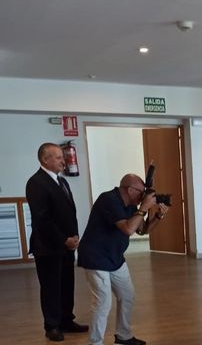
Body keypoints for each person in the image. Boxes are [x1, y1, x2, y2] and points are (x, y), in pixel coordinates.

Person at [78, 174, 170, 345]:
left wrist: (158, 216)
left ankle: (123, 336)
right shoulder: (108, 200)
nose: (143, 196)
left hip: (114, 257)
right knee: (103, 302)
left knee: (127, 295)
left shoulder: (131, 205)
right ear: (130, 189)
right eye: (141, 192)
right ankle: (95, 343)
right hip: (96, 257)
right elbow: (128, 229)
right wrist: (144, 207)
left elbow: (143, 230)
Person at [25, 143, 88, 341]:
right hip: (48, 247)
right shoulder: (36, 183)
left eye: (63, 157)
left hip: (67, 245)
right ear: (45, 159)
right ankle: (52, 326)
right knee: (51, 287)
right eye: (59, 157)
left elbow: (70, 213)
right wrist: (64, 240)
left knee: (67, 285)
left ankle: (66, 320)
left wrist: (75, 237)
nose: (64, 161)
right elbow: (42, 219)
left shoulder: (62, 181)